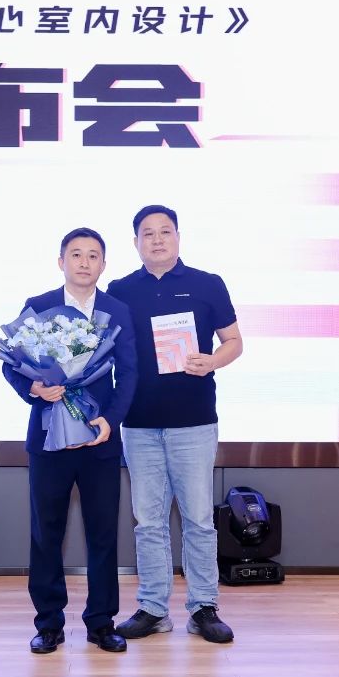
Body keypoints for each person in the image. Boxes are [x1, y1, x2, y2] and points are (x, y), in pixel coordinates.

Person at [108, 205, 243, 644]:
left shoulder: (208, 284)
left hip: (193, 421)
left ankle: (204, 607)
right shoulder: (120, 290)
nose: (157, 239)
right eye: (148, 233)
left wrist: (212, 361)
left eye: (165, 231)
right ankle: (153, 608)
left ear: (178, 237)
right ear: (136, 243)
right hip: (139, 423)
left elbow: (234, 341)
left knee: (199, 519)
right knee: (148, 522)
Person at [2, 227, 138, 654]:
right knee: (47, 533)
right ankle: (48, 624)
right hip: (48, 440)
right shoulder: (39, 306)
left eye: (93, 255)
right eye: (76, 254)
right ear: (61, 261)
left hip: (99, 441)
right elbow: (10, 364)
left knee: (103, 533)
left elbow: (129, 373)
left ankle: (101, 622)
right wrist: (33, 389)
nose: (84, 262)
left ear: (103, 265)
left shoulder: (117, 310)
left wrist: (110, 421)